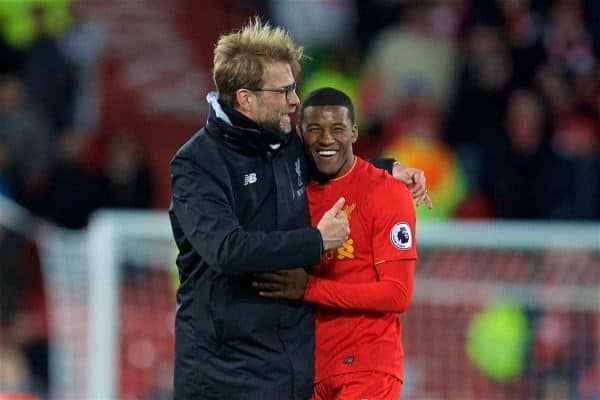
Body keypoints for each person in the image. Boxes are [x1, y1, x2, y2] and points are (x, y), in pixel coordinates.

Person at [169, 19, 429, 400]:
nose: (295, 100)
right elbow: (226, 249)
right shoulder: (197, 165)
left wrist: (390, 168)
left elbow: (330, 157)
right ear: (245, 99)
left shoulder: (285, 142)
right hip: (220, 375)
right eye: (285, 91)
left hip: (286, 370)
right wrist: (315, 241)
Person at [253, 88, 417, 400]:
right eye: (315, 129)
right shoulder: (295, 195)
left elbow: (397, 294)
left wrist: (309, 288)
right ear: (301, 134)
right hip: (307, 370)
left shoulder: (386, 193)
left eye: (337, 129)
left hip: (367, 367)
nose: (326, 139)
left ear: (354, 132)